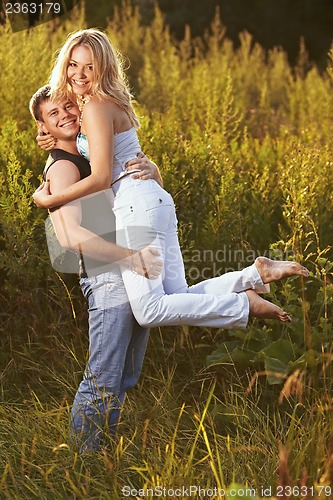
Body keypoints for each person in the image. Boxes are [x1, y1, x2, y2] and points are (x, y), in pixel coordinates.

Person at [33, 28, 309, 331]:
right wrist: (45, 131)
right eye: (73, 64)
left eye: (89, 66)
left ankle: (242, 303)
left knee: (149, 311)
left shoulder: (96, 107)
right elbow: (58, 109)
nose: (80, 73)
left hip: (137, 206)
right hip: (152, 201)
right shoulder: (99, 102)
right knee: (176, 295)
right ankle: (253, 276)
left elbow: (100, 178)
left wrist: (48, 199)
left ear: (103, 67)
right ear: (65, 65)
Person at [30, 85, 164, 453]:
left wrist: (153, 169)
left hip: (126, 271)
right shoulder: (63, 166)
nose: (65, 116)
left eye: (67, 107)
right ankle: (81, 464)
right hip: (108, 276)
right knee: (104, 378)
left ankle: (102, 454)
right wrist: (129, 257)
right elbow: (72, 236)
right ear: (43, 128)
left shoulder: (92, 153)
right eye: (53, 115)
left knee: (125, 374)